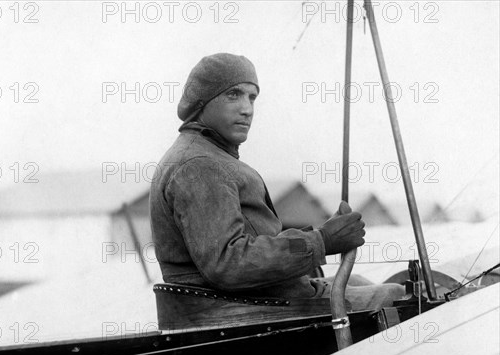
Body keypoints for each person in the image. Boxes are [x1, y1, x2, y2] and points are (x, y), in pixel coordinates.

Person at [149, 53, 404, 311]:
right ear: (202, 102)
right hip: (245, 311)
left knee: (359, 281)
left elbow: (252, 241)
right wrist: (322, 242)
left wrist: (320, 235)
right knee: (397, 298)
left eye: (252, 97)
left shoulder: (208, 156)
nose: (247, 109)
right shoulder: (200, 165)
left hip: (260, 298)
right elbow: (229, 262)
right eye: (233, 94)